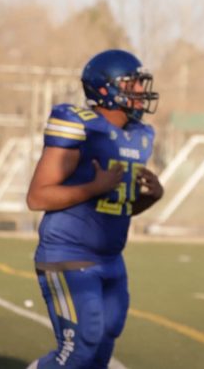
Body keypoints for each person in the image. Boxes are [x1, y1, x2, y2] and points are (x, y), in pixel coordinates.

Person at [24, 49, 163, 369]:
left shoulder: (138, 136)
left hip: (111, 258)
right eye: (132, 83)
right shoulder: (80, 126)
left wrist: (152, 197)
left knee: (100, 352)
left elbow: (116, 207)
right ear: (105, 88)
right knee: (79, 350)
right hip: (68, 253)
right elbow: (37, 197)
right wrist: (93, 187)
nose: (140, 91)